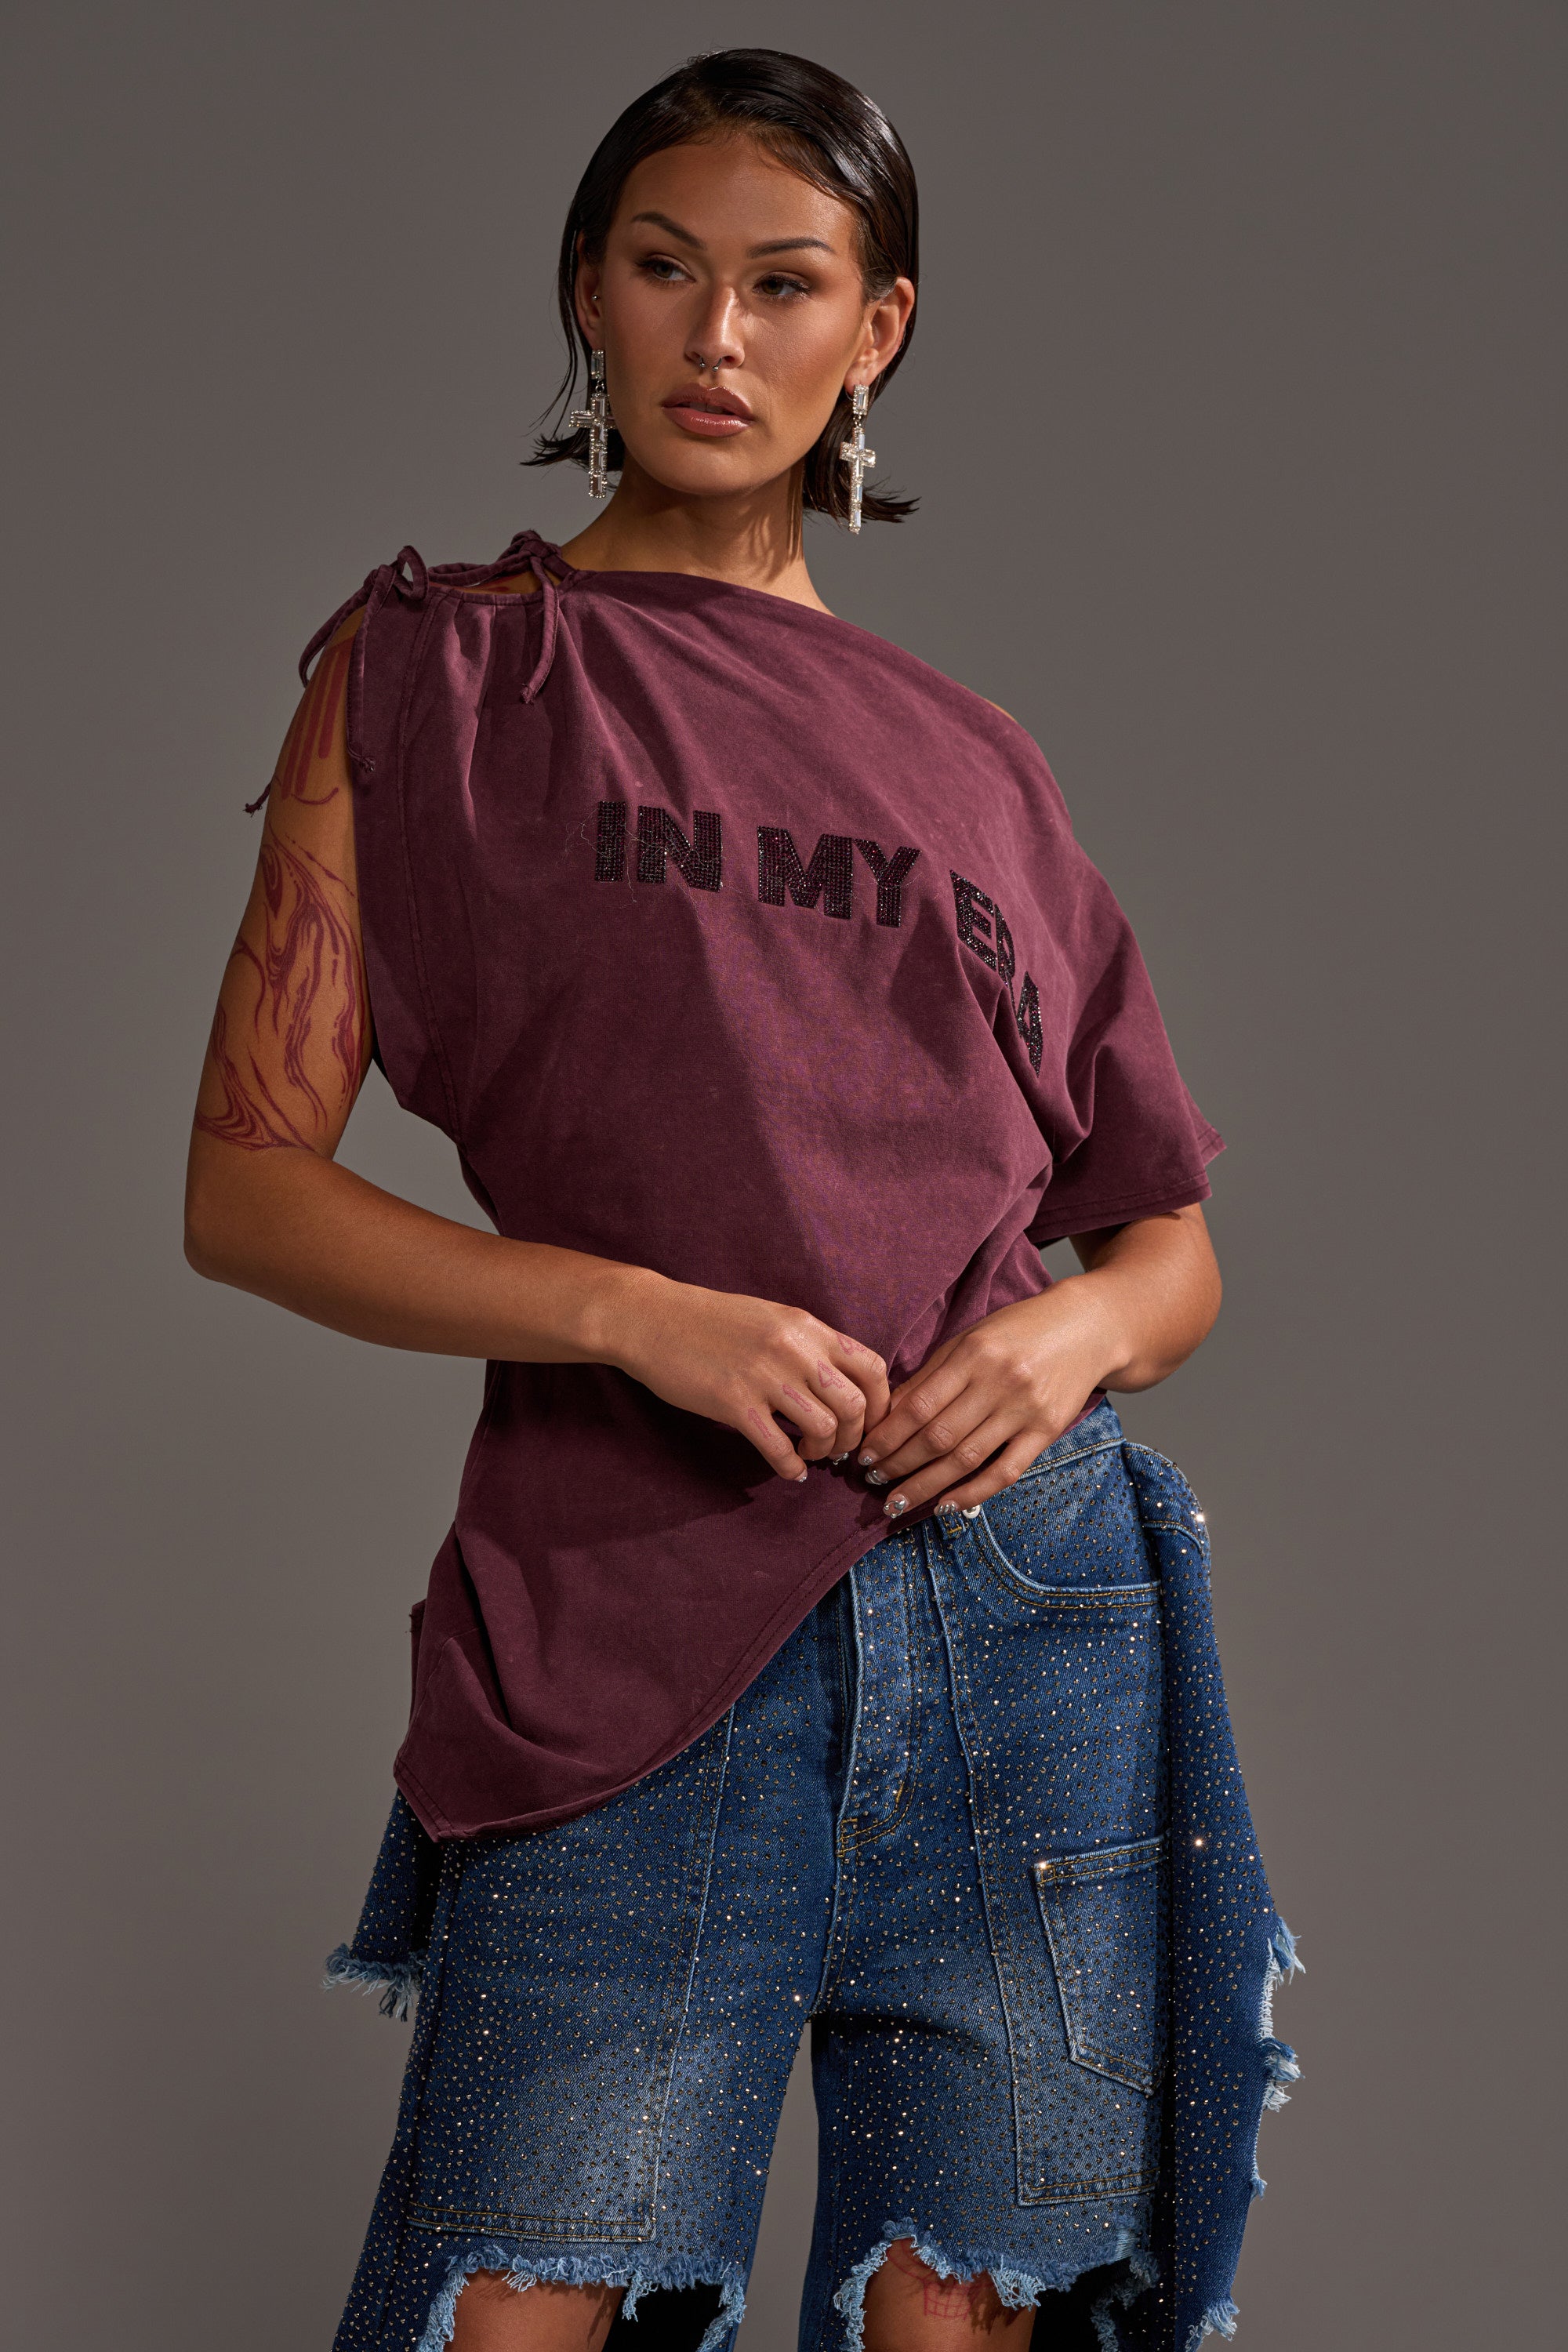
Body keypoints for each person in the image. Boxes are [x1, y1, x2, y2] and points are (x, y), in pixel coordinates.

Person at [184, 48, 1296, 2352]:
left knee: (961, 2320)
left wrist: (1061, 1342)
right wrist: (633, 1314)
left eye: (784, 286)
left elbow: (1165, 1243)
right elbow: (249, 1192)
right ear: (584, 297)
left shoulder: (981, 764)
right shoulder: (443, 678)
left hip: (1021, 1614)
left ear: (873, 332)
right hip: (630, 1611)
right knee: (522, 2301)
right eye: (666, 270)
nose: (717, 338)